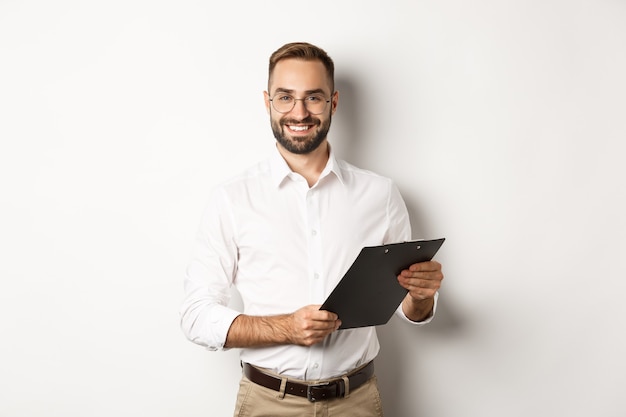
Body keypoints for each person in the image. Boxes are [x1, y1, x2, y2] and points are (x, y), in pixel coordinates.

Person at [180, 42, 444, 417]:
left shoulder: (380, 194)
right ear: (267, 101)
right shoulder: (232, 199)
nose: (299, 112)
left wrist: (421, 297)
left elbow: (408, 308)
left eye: (313, 98)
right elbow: (195, 315)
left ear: (333, 103)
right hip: (267, 403)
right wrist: (284, 328)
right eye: (285, 97)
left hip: (356, 402)